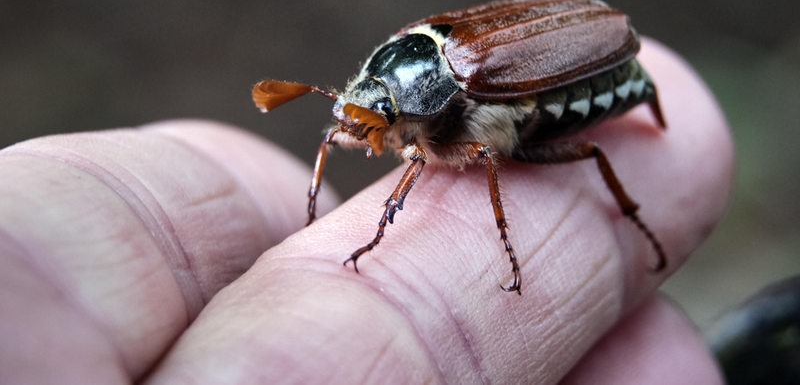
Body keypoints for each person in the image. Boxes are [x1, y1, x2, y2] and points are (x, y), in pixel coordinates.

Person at [0, 40, 732, 383]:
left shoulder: (449, 115)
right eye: (364, 112)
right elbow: (350, 132)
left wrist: (397, 227)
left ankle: (629, 212)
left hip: (583, 81)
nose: (362, 129)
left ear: (413, 104)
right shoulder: (390, 95)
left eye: (377, 117)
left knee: (515, 155)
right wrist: (314, 201)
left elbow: (464, 156)